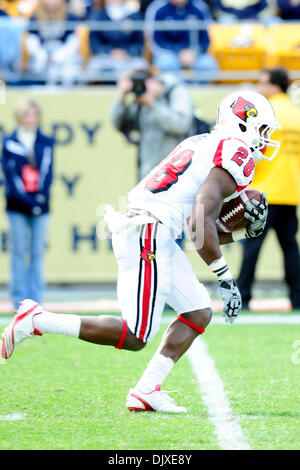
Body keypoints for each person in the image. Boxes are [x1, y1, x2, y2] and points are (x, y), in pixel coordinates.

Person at [1, 90, 278, 413]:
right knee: (136, 335)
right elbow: (200, 220)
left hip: (151, 227)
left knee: (198, 311)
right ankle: (37, 320)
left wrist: (239, 231)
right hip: (150, 231)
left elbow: (195, 225)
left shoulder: (202, 142)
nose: (264, 139)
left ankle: (147, 390)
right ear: (243, 125)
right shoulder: (235, 152)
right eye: (261, 130)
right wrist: (226, 278)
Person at [237, 68, 300, 311]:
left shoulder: (265, 113)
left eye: (262, 83)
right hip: (290, 191)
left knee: (252, 246)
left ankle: (243, 296)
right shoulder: (296, 113)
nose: (259, 88)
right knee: (290, 247)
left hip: (263, 191)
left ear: (275, 86)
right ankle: (297, 298)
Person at [1, 97, 54, 310]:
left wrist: (38, 199)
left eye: (33, 115)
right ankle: (18, 300)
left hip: (41, 206)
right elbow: (11, 176)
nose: (30, 119)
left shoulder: (45, 141)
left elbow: (47, 173)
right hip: (17, 206)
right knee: (18, 251)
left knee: (37, 251)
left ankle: (36, 300)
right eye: (26, 115)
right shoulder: (9, 142)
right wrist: (26, 200)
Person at [111, 67, 194, 181]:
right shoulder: (140, 100)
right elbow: (118, 124)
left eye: (142, 84)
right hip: (148, 174)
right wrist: (122, 95)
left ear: (153, 80)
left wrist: (152, 104)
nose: (140, 88)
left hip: (176, 173)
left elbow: (180, 125)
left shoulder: (176, 92)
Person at [144, 0, 218, 82]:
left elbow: (206, 39)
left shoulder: (200, 6)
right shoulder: (157, 7)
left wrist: (194, 52)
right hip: (169, 54)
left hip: (194, 54)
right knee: (166, 64)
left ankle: (197, 90)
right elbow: (154, 41)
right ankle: (176, 89)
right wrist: (179, 52)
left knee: (208, 65)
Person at [86, 0, 148, 81]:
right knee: (93, 69)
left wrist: (127, 52)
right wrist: (110, 51)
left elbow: (140, 42)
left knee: (141, 67)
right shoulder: (98, 16)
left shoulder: (134, 16)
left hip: (129, 57)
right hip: (104, 57)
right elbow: (94, 42)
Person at [24, 0, 83, 86]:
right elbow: (31, 40)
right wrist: (40, 54)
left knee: (67, 72)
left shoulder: (69, 17)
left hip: (64, 57)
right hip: (42, 57)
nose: (52, 2)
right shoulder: (35, 17)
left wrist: (61, 55)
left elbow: (74, 40)